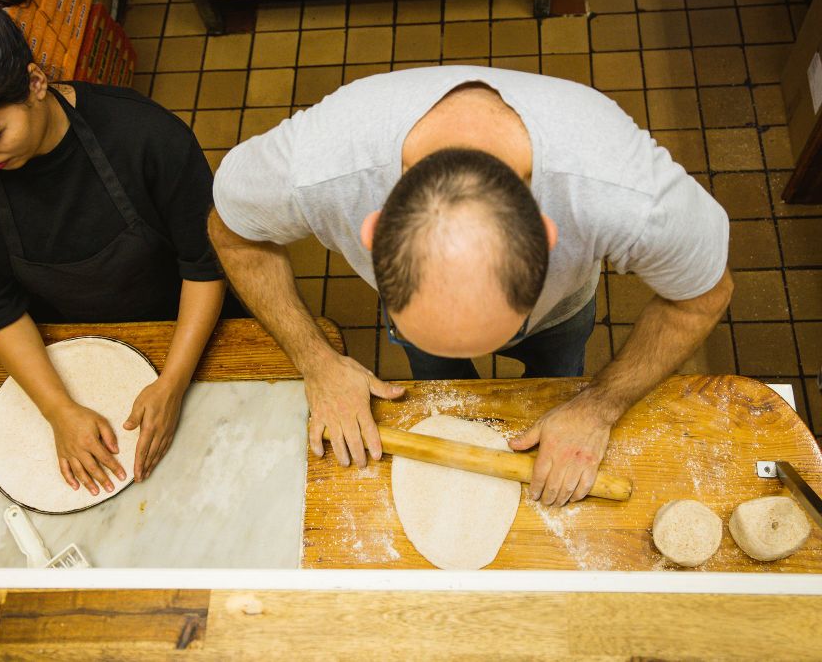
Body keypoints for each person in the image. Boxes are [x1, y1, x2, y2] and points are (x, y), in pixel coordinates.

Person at [209, 65, 733, 506]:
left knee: (559, 376)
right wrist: (316, 361)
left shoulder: (625, 194)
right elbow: (233, 237)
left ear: (548, 235)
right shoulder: (316, 169)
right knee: (442, 386)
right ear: (372, 231)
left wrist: (598, 406)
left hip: (560, 315)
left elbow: (701, 300)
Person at [0, 0, 242, 495]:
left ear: (34, 82)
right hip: (64, 350)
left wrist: (173, 382)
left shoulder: (144, 136)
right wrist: (58, 409)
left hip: (184, 326)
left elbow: (204, 265)